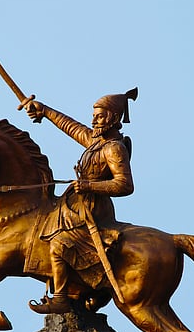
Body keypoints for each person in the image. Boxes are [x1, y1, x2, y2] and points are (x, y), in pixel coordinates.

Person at [24, 88, 138, 314]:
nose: (95, 120)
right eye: (94, 115)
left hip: (93, 210)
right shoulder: (96, 142)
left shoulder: (114, 148)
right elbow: (71, 126)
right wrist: (45, 111)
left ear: (114, 118)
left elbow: (125, 185)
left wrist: (89, 185)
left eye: (101, 115)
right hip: (76, 205)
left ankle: (61, 298)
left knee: (58, 244)